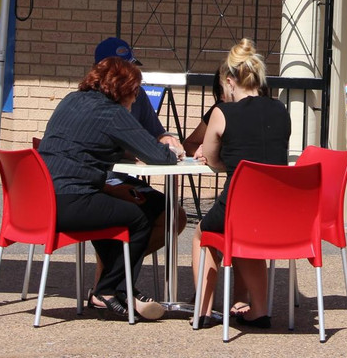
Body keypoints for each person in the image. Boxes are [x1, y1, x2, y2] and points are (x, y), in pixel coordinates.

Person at [37, 56, 184, 321]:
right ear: (125, 89)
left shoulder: (71, 100)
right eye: (135, 91)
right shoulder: (112, 113)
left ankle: (120, 287)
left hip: (44, 199)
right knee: (139, 217)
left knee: (122, 206)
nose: (137, 98)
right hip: (73, 201)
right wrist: (173, 148)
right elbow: (160, 156)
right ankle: (108, 289)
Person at [191, 39, 291, 329]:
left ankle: (203, 311)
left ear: (231, 81)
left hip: (239, 203)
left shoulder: (223, 113)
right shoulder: (280, 110)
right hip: (276, 208)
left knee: (202, 234)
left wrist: (220, 159)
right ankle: (259, 311)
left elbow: (210, 158)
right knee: (248, 235)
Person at [91, 37, 186, 288]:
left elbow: (157, 133)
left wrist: (169, 141)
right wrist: (139, 149)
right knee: (138, 215)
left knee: (175, 216)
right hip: (99, 181)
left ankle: (113, 272)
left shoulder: (138, 94)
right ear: (105, 68)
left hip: (121, 179)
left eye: (132, 66)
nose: (132, 74)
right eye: (125, 68)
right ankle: (112, 283)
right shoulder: (94, 102)